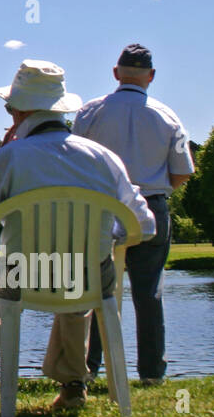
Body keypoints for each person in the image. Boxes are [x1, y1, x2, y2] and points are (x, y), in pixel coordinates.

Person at [0, 60, 155, 412]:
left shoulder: (9, 157)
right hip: (87, 278)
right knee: (82, 267)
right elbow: (145, 225)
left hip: (23, 275)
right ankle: (74, 384)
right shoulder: (104, 158)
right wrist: (104, 235)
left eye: (10, 106)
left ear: (21, 110)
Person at [72, 43, 193, 385]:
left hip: (98, 209)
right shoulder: (169, 117)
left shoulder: (89, 112)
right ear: (151, 76)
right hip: (151, 207)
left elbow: (75, 160)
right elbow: (182, 171)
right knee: (149, 292)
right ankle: (152, 372)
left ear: (115, 73)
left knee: (96, 289)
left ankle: (88, 369)